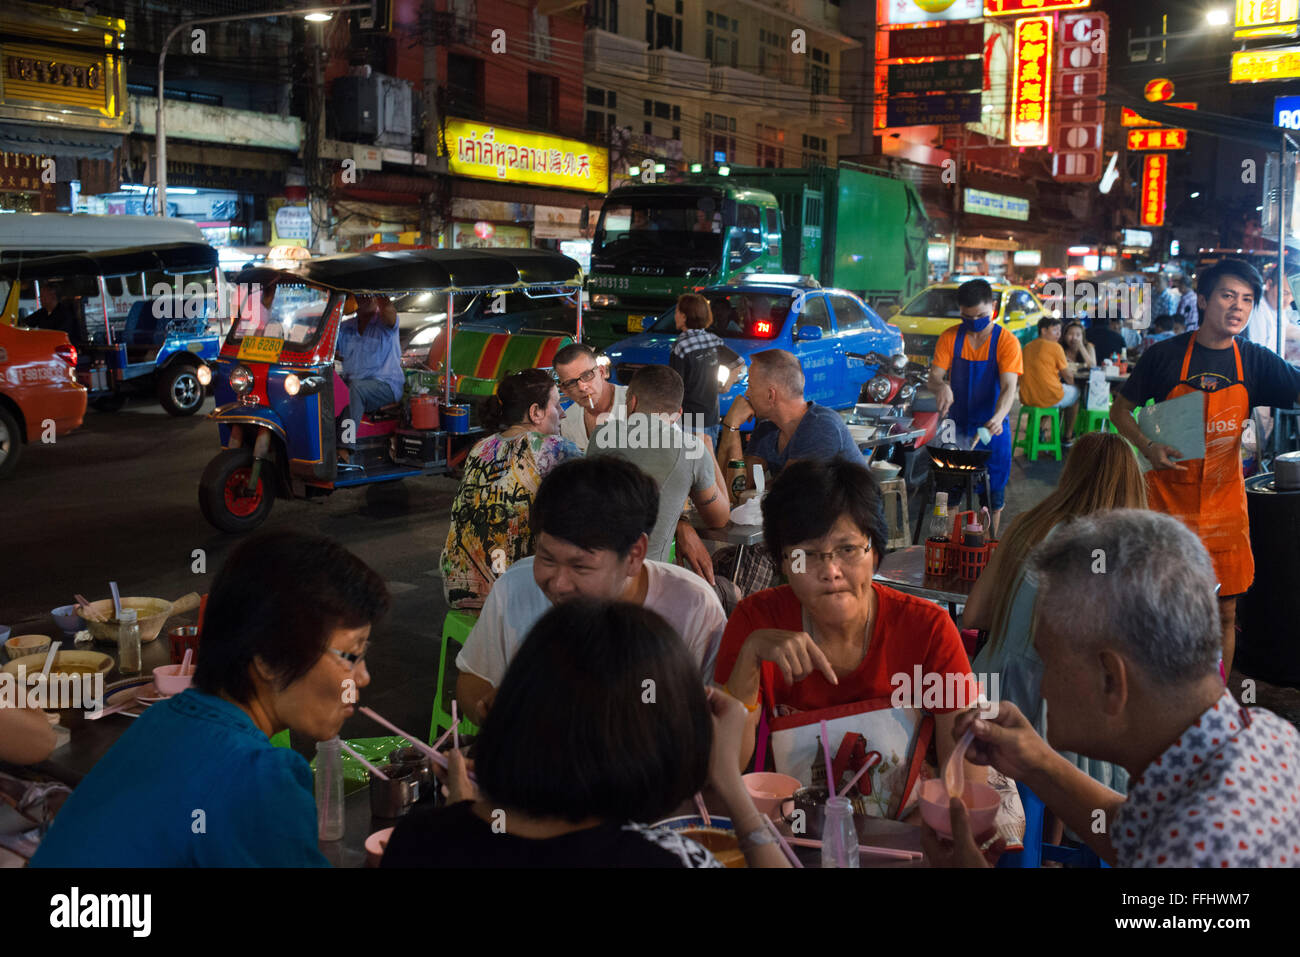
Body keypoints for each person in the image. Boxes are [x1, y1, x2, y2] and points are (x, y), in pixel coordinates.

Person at [925, 510, 1300, 868]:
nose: (1042, 684)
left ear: (1111, 679)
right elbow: (1135, 832)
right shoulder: (1264, 735)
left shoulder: (1197, 842)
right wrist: (1036, 762)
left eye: (1048, 662)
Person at [32, 531, 389, 867]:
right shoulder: (261, 782)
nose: (364, 676)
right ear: (267, 657)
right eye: (351, 655)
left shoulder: (164, 719)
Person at [384, 600, 788, 868]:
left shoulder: (415, 842)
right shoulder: (665, 860)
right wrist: (733, 788)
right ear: (653, 747)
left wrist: (465, 813)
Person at [713, 457, 979, 782]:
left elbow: (965, 776)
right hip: (794, 823)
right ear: (781, 562)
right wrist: (749, 660)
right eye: (806, 554)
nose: (831, 571)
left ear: (876, 553)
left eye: (849, 549)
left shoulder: (928, 630)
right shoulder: (756, 622)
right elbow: (722, 767)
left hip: (908, 825)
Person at [1112, 258, 1300, 679]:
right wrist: (1147, 444)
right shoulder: (1165, 357)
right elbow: (1120, 410)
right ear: (1202, 300)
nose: (1238, 307)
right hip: (1165, 506)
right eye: (1228, 296)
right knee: (1161, 606)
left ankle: (1212, 702)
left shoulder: (1254, 360)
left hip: (1224, 507)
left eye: (1248, 300)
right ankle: (1157, 695)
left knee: (1225, 610)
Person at [454, 456, 727, 724]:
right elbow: (474, 676)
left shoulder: (693, 606)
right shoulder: (516, 586)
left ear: (634, 555)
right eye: (547, 558)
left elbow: (720, 726)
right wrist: (489, 708)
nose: (558, 583)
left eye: (581, 566)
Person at [963, 433, 1146, 798]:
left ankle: (1034, 844)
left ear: (1071, 474)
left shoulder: (1026, 525)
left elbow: (972, 615)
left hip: (991, 694)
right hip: (1066, 719)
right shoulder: (1128, 551)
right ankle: (1055, 849)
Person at [441, 368, 580, 609]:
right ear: (535, 412)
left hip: (457, 587)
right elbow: (604, 480)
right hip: (509, 595)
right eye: (556, 405)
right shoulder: (552, 448)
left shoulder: (480, 447)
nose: (562, 414)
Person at [590, 364, 730, 563]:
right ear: (678, 414)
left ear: (632, 402)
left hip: (594, 572)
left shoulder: (600, 435)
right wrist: (707, 446)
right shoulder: (691, 449)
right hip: (649, 579)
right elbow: (719, 519)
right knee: (731, 589)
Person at [927, 278, 1023, 536]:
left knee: (993, 496)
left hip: (991, 428)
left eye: (981, 315)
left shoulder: (1007, 341)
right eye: (967, 316)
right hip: (955, 426)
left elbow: (1008, 388)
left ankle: (986, 549)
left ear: (992, 306)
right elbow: (933, 376)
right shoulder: (950, 337)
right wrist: (941, 386)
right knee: (946, 495)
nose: (974, 321)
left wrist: (999, 416)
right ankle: (944, 544)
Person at [717, 348, 863, 487]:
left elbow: (785, 492)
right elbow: (737, 489)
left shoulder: (821, 426)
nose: (747, 394)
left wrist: (753, 493)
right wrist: (731, 426)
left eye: (750, 386)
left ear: (770, 395)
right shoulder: (767, 429)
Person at [668, 293, 745, 447]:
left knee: (689, 465)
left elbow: (676, 387)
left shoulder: (681, 346)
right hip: (711, 417)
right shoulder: (713, 341)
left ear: (684, 317)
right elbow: (738, 363)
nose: (675, 315)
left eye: (677, 312)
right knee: (708, 465)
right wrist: (726, 386)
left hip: (689, 419)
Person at [336, 294, 404, 448]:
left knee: (355, 389)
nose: (363, 298)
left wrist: (378, 293)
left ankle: (345, 447)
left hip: (385, 386)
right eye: (359, 294)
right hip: (354, 383)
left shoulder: (385, 323)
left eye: (368, 294)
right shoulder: (346, 327)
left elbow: (389, 311)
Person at [553, 342, 628, 452]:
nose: (582, 387)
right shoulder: (568, 421)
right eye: (571, 383)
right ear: (565, 390)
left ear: (602, 372)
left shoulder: (634, 402)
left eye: (587, 375)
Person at [1019, 315, 1080, 443]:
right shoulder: (1055, 347)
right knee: (1075, 394)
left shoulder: (1027, 347)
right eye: (1055, 330)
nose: (1058, 334)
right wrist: (1075, 385)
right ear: (1043, 330)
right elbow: (1068, 377)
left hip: (1027, 397)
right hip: (1048, 396)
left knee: (1052, 399)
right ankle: (1068, 436)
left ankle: (1038, 431)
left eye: (1059, 330)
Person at [1243, 261, 1300, 356]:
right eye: (1285, 293)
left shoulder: (1276, 306)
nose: (1288, 301)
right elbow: (1256, 355)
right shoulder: (1257, 311)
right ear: (1269, 285)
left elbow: (1285, 328)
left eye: (1293, 295)